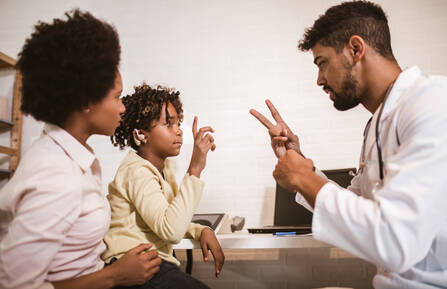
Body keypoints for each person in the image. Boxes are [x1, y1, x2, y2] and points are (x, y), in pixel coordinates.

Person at [250, 1, 447, 288]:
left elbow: (396, 241)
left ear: (355, 49)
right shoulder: (377, 124)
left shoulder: (431, 103)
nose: (319, 80)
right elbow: (358, 206)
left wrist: (303, 177)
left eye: (322, 63)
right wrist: (301, 163)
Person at [0, 10, 162, 289]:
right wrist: (115, 275)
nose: (123, 107)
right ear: (87, 101)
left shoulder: (71, 157)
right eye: (117, 97)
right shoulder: (56, 175)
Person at [102, 83, 224, 289]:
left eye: (178, 123)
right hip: (132, 266)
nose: (178, 131)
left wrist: (200, 230)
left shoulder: (162, 169)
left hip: (152, 263)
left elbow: (165, 219)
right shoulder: (137, 171)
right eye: (168, 124)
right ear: (141, 134)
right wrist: (194, 169)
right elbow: (171, 231)